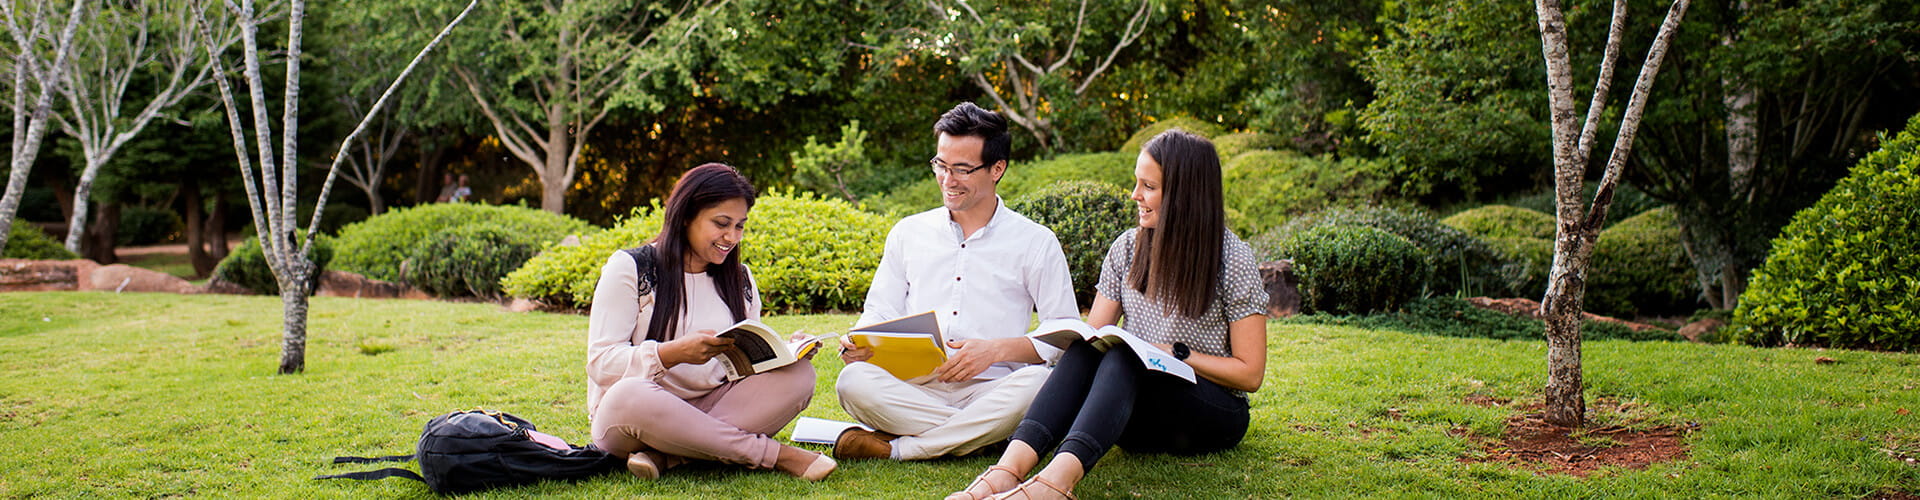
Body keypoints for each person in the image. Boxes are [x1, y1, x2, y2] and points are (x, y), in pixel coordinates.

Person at [945, 129, 1269, 500]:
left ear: (1185, 195)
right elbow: (1094, 336)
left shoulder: (1232, 258)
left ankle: (1055, 484)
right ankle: (1008, 469)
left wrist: (1174, 353)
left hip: (1211, 415)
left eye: (1148, 186)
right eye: (1137, 183)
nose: (1135, 196)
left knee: (1125, 357)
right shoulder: (1127, 249)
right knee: (1090, 348)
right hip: (1135, 416)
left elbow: (1250, 373)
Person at [833, 102, 1079, 461]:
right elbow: (879, 310)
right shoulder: (908, 232)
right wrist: (859, 340)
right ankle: (987, 436)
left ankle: (901, 448)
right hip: (914, 388)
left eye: (962, 169)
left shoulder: (1035, 241)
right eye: (940, 165)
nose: (947, 181)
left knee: (1040, 384)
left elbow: (1065, 330)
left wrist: (996, 350)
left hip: (995, 388)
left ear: (997, 168)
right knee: (852, 383)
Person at [586, 163, 835, 482]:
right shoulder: (631, 268)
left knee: (799, 375)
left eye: (740, 226)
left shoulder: (739, 278)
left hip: (716, 405)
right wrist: (672, 353)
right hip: (636, 416)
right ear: (687, 215)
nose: (731, 237)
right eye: (721, 223)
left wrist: (787, 352)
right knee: (629, 394)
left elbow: (747, 365)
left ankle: (670, 455)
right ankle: (773, 455)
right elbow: (601, 363)